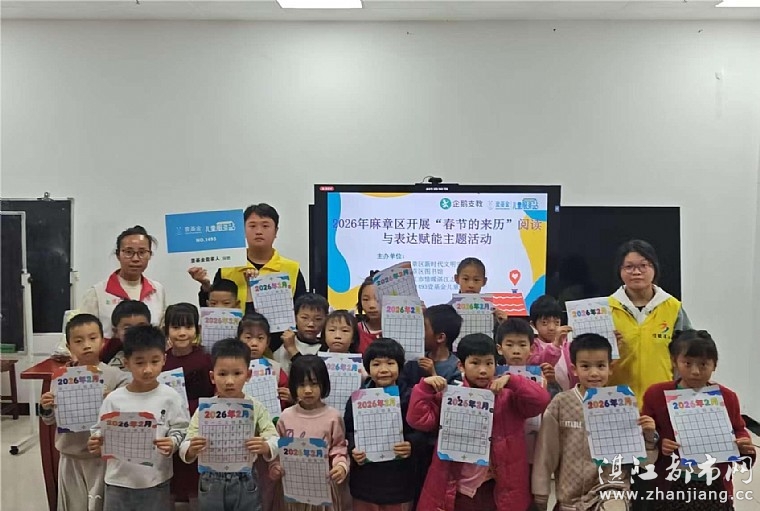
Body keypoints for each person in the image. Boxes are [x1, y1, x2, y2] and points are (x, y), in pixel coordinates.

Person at [408, 333, 550, 511]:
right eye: (475, 363)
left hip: (498, 487)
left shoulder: (509, 396)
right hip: (457, 488)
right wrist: (424, 388)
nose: (483, 370)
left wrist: (513, 380)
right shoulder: (451, 396)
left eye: (489, 363)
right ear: (461, 365)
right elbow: (418, 420)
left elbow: (541, 400)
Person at [532, 333, 658, 511]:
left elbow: (643, 461)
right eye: (585, 366)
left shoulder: (623, 403)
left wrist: (649, 437)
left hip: (612, 493)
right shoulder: (561, 403)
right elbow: (546, 453)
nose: (594, 373)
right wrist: (541, 494)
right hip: (571, 500)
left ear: (610, 368)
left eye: (600, 366)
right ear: (574, 369)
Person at [642, 330, 755, 511]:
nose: (695, 371)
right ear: (674, 361)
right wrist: (660, 441)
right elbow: (646, 435)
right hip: (672, 480)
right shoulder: (656, 394)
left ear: (714, 365)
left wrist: (743, 443)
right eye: (687, 363)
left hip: (714, 482)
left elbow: (738, 428)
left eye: (703, 364)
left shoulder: (727, 397)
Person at [87, 326, 190, 511]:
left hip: (156, 481)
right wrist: (96, 441)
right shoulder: (114, 399)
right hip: (117, 481)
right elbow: (98, 430)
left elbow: (181, 428)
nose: (147, 369)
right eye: (140, 362)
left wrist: (173, 442)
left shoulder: (171, 397)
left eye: (154, 361)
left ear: (164, 359)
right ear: (126, 363)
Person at [40, 314, 130, 511]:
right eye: (79, 341)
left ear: (103, 341)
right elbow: (50, 420)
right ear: (69, 346)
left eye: (92, 338)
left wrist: (113, 400)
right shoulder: (61, 378)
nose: (87, 345)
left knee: (100, 504)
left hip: (101, 457)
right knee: (74, 504)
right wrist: (46, 407)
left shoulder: (117, 376)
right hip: (70, 455)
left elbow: (126, 416)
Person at [179, 338, 279, 511]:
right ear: (212, 377)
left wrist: (266, 446)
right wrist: (191, 449)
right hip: (211, 480)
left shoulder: (255, 406)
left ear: (248, 375)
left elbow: (274, 438)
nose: (230, 381)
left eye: (237, 373)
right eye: (223, 374)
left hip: (245, 479)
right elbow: (186, 442)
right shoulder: (205, 409)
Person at [188, 204, 306, 335]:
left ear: (276, 231)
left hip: (279, 343)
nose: (259, 231)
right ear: (243, 230)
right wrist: (205, 286)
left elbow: (302, 313)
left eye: (265, 226)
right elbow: (212, 310)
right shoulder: (228, 268)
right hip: (233, 341)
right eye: (252, 226)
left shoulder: (291, 269)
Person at [607, 240, 692, 405]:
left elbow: (688, 353)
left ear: (654, 268)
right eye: (629, 267)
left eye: (643, 265)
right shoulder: (606, 308)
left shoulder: (672, 307)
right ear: (620, 271)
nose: (636, 272)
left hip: (663, 400)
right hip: (616, 401)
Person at [344, 338, 417, 511]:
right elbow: (348, 431)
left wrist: (411, 445)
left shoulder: (412, 397)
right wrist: (353, 448)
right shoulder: (357, 399)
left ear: (400, 366)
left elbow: (423, 432)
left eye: (390, 363)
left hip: (399, 482)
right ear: (368, 368)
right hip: (365, 482)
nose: (384, 370)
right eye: (376, 364)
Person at [269, 355, 349, 511]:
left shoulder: (333, 417)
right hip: (291, 489)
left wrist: (340, 466)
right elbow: (277, 450)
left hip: (323, 489)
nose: (307, 390)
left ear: (324, 384)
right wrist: (275, 467)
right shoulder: (285, 416)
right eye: (301, 385)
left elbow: (339, 448)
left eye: (314, 384)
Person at [162, 303, 214, 507]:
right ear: (166, 330)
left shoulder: (206, 359)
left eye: (188, 327)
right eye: (176, 327)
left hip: (199, 427)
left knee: (195, 483)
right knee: (173, 482)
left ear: (197, 329)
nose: (182, 333)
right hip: (172, 427)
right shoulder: (162, 361)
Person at [80, 225, 166, 340]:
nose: (135, 259)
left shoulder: (157, 290)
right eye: (128, 252)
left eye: (142, 252)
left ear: (150, 255)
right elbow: (83, 334)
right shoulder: (97, 293)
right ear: (118, 255)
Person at [496, 318, 562, 398]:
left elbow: (554, 400)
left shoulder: (540, 373)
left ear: (531, 349)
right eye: (509, 345)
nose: (516, 351)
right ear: (499, 349)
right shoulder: (493, 374)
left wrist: (551, 382)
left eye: (522, 345)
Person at [274, 293, 329, 374]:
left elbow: (312, 376)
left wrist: (292, 349)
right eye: (304, 318)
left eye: (318, 319)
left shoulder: (327, 348)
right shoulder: (284, 346)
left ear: (326, 320)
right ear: (295, 318)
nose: (311, 324)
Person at [453, 257, 509, 324]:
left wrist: (503, 324)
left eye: (476, 280)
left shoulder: (492, 314)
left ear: (484, 281)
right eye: (465, 279)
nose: (471, 285)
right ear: (456, 279)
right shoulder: (447, 310)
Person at [102, 301, 151, 370]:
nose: (135, 333)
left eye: (141, 327)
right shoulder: (112, 363)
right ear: (116, 332)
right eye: (128, 329)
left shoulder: (159, 355)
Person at [527, 295, 569, 366]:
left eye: (557, 322)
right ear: (533, 325)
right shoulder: (531, 346)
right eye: (545, 323)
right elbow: (538, 365)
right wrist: (555, 346)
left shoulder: (567, 344)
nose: (552, 328)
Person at [355, 273, 382, 354]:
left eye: (378, 299)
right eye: (366, 299)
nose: (372, 305)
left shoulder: (401, 329)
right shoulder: (355, 330)